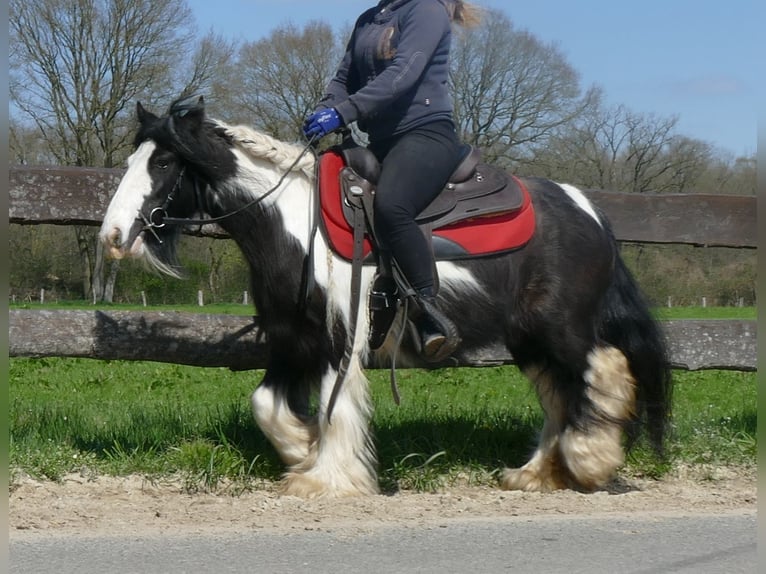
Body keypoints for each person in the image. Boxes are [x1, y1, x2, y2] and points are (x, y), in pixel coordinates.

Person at [303, 0, 481, 361]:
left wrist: (344, 112)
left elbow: (403, 73)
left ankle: (428, 313)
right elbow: (344, 78)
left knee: (391, 205)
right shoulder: (368, 20)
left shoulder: (426, 10)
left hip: (426, 134)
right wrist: (326, 107)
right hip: (381, 140)